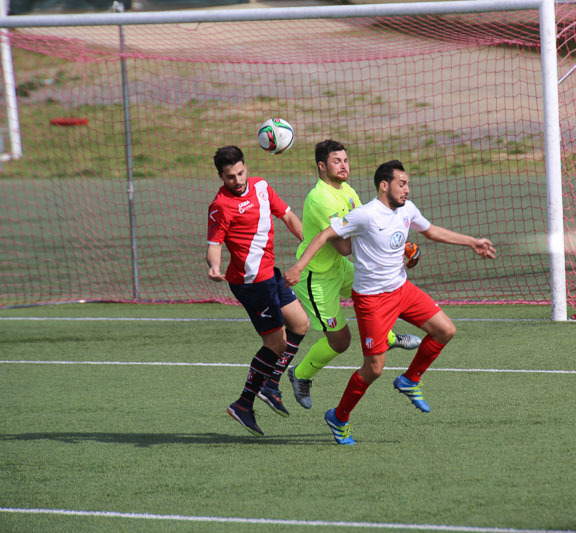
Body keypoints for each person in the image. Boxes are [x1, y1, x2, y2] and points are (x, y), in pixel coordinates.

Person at [284, 160, 496, 445]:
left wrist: (471, 242)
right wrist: (299, 267)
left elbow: (430, 231)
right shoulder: (365, 215)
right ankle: (339, 417)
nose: (407, 189)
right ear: (384, 185)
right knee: (374, 369)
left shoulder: (406, 209)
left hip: (402, 290)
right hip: (372, 300)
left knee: (445, 330)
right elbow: (325, 235)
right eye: (402, 183)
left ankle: (410, 379)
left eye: (407, 183)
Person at [281, 140, 421, 411]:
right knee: (341, 341)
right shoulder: (320, 198)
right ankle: (300, 375)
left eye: (345, 160)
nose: (344, 165)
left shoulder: (347, 189)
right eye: (337, 161)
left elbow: (370, 224)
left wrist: (399, 244)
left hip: (338, 268)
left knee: (374, 289)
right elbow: (345, 246)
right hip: (317, 278)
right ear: (322, 166)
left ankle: (388, 338)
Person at [206, 145, 310, 437]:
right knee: (277, 344)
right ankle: (244, 403)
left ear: (246, 167)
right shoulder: (220, 205)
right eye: (229, 177)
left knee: (301, 325)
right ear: (220, 176)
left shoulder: (262, 187)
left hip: (271, 275)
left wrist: (311, 246)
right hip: (251, 283)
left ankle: (271, 385)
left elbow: (288, 216)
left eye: (240, 173)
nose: (237, 181)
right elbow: (214, 244)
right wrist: (214, 268)